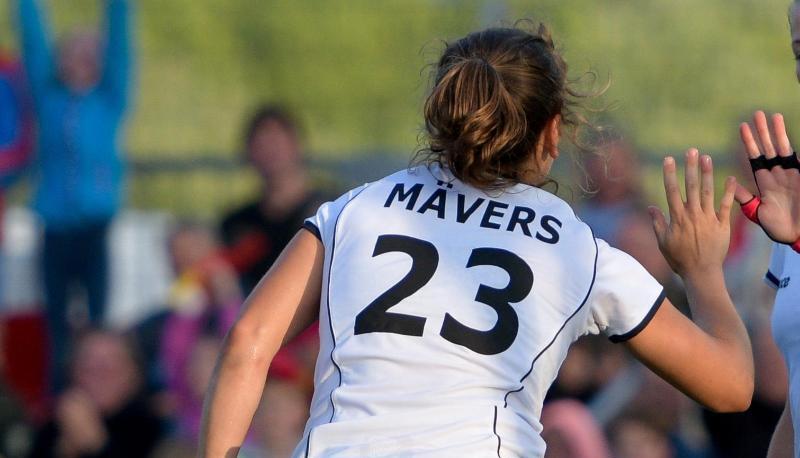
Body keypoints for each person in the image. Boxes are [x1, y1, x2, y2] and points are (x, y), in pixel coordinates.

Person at [200, 23, 754, 457]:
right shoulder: (574, 249)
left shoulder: (356, 208)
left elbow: (248, 342)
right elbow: (731, 388)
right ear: (553, 130)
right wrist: (703, 271)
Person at [14, 0, 133, 390]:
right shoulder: (47, 98)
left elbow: (120, 43)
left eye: (89, 54)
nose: (81, 60)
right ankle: (58, 401)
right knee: (56, 325)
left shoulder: (108, 99)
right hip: (54, 228)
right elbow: (33, 41)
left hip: (95, 228)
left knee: (97, 321)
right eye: (72, 52)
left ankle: (100, 394)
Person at [220, 105, 325, 295]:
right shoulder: (237, 223)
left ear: (296, 146)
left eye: (276, 143)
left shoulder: (327, 212)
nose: (269, 152)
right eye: (261, 145)